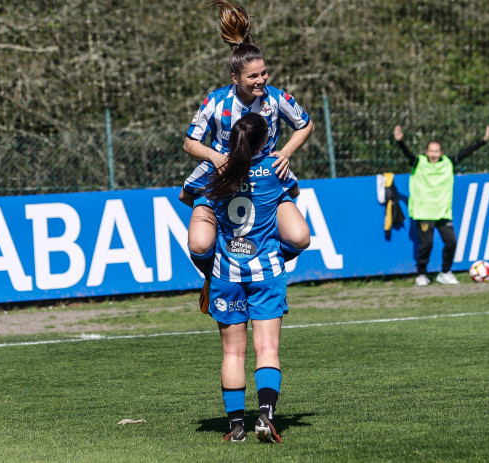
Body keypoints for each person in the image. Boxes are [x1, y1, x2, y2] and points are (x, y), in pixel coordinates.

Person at [180, 0, 314, 301]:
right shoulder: (216, 101)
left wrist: (287, 151)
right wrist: (214, 156)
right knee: (200, 245)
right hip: (222, 175)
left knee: (299, 237)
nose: (261, 80)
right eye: (253, 76)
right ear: (235, 78)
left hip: (264, 176)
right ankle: (212, 276)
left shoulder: (276, 98)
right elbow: (189, 142)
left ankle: (264, 265)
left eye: (264, 73)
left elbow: (306, 125)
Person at [203, 112, 293, 443]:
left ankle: (237, 426)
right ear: (265, 139)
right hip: (266, 271)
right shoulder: (275, 170)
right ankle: (266, 416)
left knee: (232, 354)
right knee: (267, 347)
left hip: (226, 273)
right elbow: (292, 200)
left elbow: (190, 197)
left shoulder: (216, 171)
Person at [394, 125, 489, 286]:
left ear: (441, 153)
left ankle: (445, 272)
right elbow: (408, 155)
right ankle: (421, 274)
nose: (433, 154)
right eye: (431, 151)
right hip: (424, 212)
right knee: (427, 245)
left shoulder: (448, 163)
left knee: (451, 242)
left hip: (443, 211)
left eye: (436, 151)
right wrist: (400, 142)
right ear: (426, 152)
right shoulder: (419, 162)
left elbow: (466, 152)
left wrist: (483, 141)